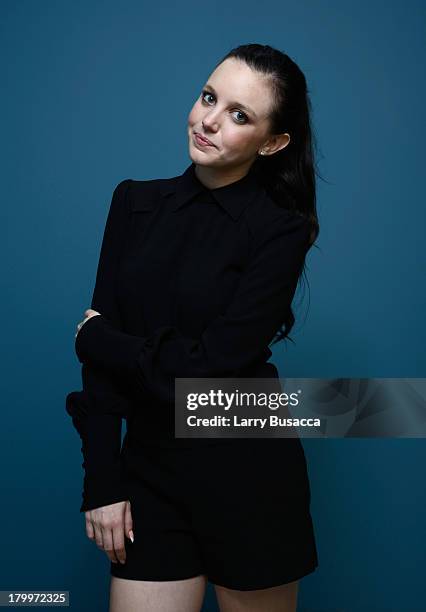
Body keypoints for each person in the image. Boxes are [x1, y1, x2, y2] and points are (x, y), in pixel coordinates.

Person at [66, 43, 320, 612]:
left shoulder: (281, 231)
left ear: (273, 142)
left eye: (239, 114)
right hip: (151, 469)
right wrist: (103, 484)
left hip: (251, 473)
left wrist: (100, 337)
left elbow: (213, 369)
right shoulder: (133, 203)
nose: (208, 120)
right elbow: (102, 377)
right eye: (209, 97)